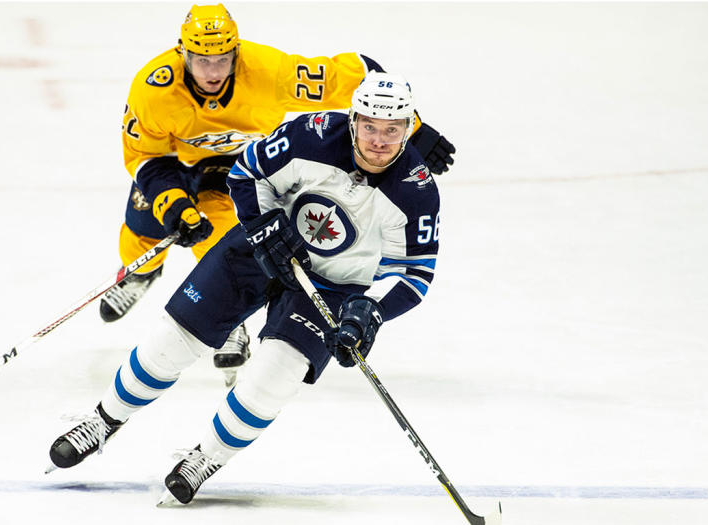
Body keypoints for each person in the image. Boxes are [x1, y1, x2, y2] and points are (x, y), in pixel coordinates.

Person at [49, 71, 443, 505]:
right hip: (260, 248)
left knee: (273, 381)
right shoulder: (309, 135)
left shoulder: (417, 190)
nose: (379, 141)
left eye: (392, 130)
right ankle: (103, 421)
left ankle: (206, 457)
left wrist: (367, 312)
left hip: (333, 286)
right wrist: (264, 224)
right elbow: (247, 172)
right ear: (353, 121)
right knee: (172, 341)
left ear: (409, 128)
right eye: (369, 126)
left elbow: (413, 272)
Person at [98, 3, 455, 385]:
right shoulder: (152, 89)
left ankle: (228, 321)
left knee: (223, 238)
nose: (213, 71)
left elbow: (360, 74)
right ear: (181, 52)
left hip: (241, 168)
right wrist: (172, 202)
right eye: (202, 60)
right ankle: (141, 274)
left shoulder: (270, 72)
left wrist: (412, 127)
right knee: (143, 229)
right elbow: (145, 156)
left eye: (223, 59)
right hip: (177, 166)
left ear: (237, 51)